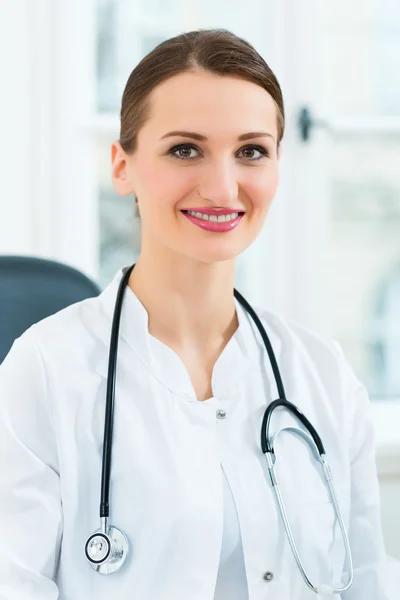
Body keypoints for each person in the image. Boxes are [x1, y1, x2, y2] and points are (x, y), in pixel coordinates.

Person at [0, 29, 394, 600]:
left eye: (251, 150)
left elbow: (368, 583)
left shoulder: (321, 373)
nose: (222, 186)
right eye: (185, 149)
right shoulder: (44, 369)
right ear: (122, 167)